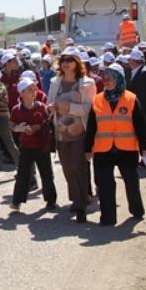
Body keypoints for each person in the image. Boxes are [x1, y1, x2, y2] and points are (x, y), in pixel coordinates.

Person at [84, 64, 146, 226]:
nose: (106, 82)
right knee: (105, 185)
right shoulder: (98, 100)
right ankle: (108, 217)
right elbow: (92, 126)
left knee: (131, 182)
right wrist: (88, 147)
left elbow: (140, 126)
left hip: (126, 148)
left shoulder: (131, 99)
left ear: (118, 79)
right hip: (103, 149)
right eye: (104, 78)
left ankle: (137, 209)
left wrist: (145, 148)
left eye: (110, 78)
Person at [47, 51, 95, 223]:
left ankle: (81, 205)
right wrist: (51, 108)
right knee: (67, 168)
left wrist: (70, 108)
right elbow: (49, 104)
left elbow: (89, 108)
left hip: (80, 132)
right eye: (62, 60)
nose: (65, 63)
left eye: (69, 60)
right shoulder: (55, 82)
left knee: (78, 167)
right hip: (60, 132)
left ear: (77, 62)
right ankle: (76, 199)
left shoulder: (87, 83)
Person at [9, 79, 58, 212]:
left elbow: (47, 122)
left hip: (41, 145)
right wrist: (19, 128)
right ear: (22, 93)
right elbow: (12, 125)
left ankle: (51, 200)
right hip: (25, 146)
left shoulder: (41, 107)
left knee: (46, 173)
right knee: (22, 174)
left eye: (34, 89)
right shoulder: (16, 109)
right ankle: (17, 201)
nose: (34, 92)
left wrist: (36, 127)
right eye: (30, 90)